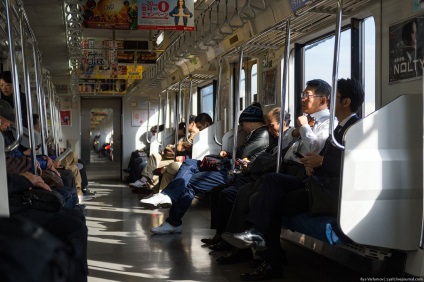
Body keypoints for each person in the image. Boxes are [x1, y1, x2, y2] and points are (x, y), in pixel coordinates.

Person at [222, 78, 365, 281]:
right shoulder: (340, 128)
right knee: (272, 180)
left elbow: (352, 164)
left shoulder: (354, 128)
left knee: (268, 202)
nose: (330, 101)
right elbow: (319, 155)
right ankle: (257, 235)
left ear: (346, 102)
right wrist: (311, 164)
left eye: (335, 98)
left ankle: (271, 259)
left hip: (328, 191)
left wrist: (321, 161)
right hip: (313, 181)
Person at [211, 79, 333, 262]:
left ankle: (262, 250)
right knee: (244, 191)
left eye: (306, 95)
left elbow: (314, 150)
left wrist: (305, 128)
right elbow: (281, 146)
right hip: (288, 168)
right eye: (302, 95)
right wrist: (294, 132)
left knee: (257, 196)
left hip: (303, 173)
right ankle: (241, 247)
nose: (303, 99)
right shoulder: (304, 122)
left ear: (322, 100)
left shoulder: (328, 123)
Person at [140, 104, 270, 235]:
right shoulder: (255, 133)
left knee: (189, 182)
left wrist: (229, 154)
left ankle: (172, 218)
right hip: (232, 168)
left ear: (251, 121)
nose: (243, 128)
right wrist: (230, 154)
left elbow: (242, 153)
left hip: (236, 173)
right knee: (190, 163)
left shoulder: (262, 133)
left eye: (243, 124)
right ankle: (167, 198)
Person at [204, 108, 290, 251]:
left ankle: (231, 242)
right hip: (255, 173)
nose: (269, 128)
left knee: (229, 194)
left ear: (283, 123)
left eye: (271, 125)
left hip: (259, 176)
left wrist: (249, 166)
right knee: (217, 191)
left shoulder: (267, 135)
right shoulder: (273, 137)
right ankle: (221, 234)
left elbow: (248, 153)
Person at [129, 115, 199, 190]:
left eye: (188, 123)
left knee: (153, 165)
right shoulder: (188, 136)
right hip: (175, 155)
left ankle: (149, 185)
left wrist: (177, 150)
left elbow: (184, 150)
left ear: (193, 123)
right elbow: (180, 147)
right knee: (155, 156)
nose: (186, 126)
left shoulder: (197, 137)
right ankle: (145, 181)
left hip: (181, 159)